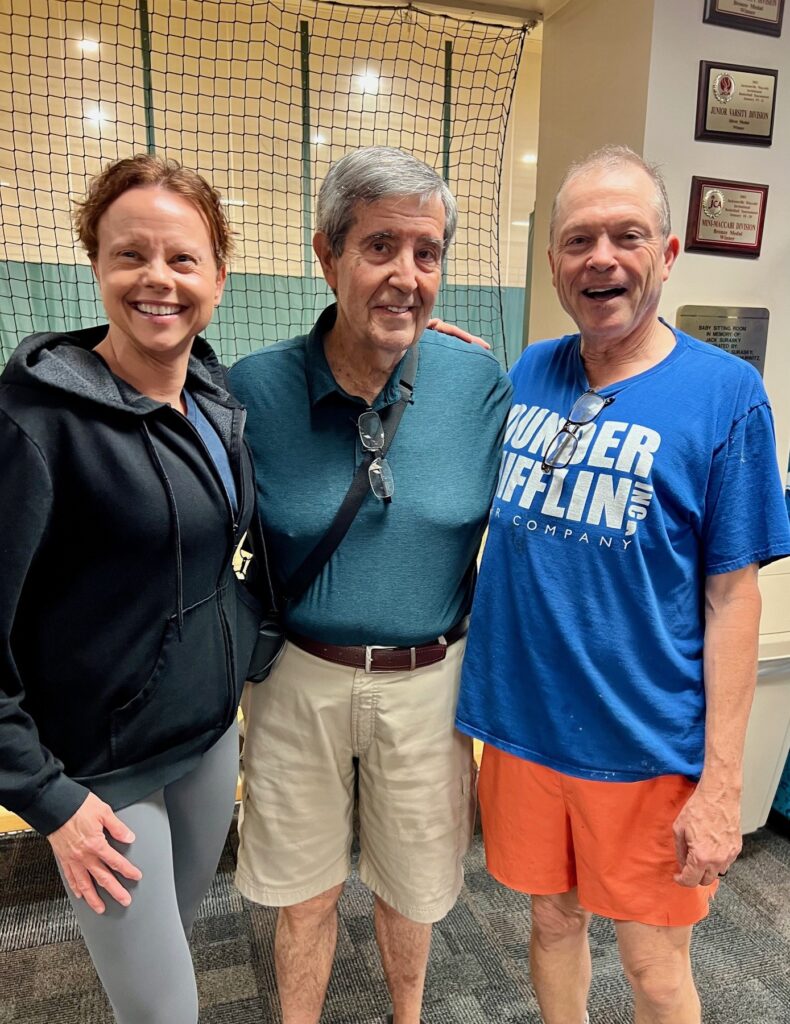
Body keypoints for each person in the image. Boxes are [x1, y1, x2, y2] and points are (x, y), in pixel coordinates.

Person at [455, 144, 790, 1024]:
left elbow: (733, 598)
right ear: (558, 265)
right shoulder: (528, 372)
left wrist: (722, 785)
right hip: (526, 732)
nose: (600, 256)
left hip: (647, 748)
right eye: (578, 240)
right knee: (551, 923)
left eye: (626, 235)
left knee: (653, 966)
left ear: (667, 255)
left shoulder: (727, 395)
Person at [229, 146, 512, 1024]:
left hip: (431, 683)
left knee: (414, 890)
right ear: (328, 256)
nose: (406, 275)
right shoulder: (254, 391)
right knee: (304, 893)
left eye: (427, 254)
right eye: (380, 246)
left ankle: (408, 1016)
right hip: (297, 680)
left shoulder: (477, 383)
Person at [0, 155, 268, 1023]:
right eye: (131, 256)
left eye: (183, 259)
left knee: (166, 968)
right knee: (166, 1013)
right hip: (102, 780)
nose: (159, 278)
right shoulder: (32, 426)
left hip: (204, 745)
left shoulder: (214, 399)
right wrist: (49, 799)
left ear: (219, 277)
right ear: (97, 267)